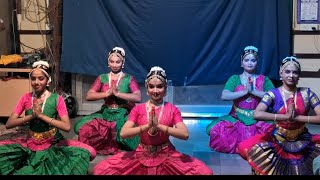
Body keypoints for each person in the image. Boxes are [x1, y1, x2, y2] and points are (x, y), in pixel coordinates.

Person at [93, 66, 213, 175]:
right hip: (140, 154)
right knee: (101, 170)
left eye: (159, 86)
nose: (155, 91)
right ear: (147, 89)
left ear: (165, 89)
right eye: (151, 86)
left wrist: (159, 126)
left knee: (205, 172)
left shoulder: (172, 109)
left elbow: (185, 134)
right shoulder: (138, 109)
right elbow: (124, 133)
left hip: (166, 154)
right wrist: (146, 126)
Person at [0, 60, 96, 175]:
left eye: (41, 78)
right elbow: (9, 123)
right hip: (30, 142)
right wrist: (32, 116)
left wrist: (41, 116)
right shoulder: (26, 98)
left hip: (52, 143)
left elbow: (66, 126)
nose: (36, 82)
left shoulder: (57, 99)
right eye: (33, 78)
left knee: (80, 157)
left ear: (48, 81)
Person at [238, 56, 320, 175]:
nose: (291, 75)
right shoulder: (273, 94)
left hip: (303, 139)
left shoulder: (307, 94)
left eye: (295, 72)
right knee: (256, 152)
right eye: (287, 72)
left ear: (298, 76)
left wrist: (296, 118)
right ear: (281, 73)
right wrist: (285, 117)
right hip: (279, 138)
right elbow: (257, 113)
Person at [205, 45, 275, 153]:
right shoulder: (234, 79)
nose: (250, 63)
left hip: (258, 117)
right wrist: (244, 92)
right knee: (213, 129)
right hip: (236, 117)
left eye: (253, 60)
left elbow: (273, 96)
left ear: (257, 62)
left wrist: (253, 91)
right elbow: (224, 95)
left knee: (276, 134)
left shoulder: (264, 80)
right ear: (241, 63)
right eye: (246, 60)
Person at [74, 47, 142, 155]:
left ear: (123, 62)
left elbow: (138, 97)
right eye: (112, 61)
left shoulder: (129, 78)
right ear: (108, 62)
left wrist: (118, 94)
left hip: (123, 113)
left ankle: (110, 138)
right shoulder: (102, 78)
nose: (114, 65)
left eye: (118, 62)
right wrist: (106, 93)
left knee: (132, 134)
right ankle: (108, 137)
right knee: (79, 127)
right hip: (106, 113)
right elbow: (89, 95)